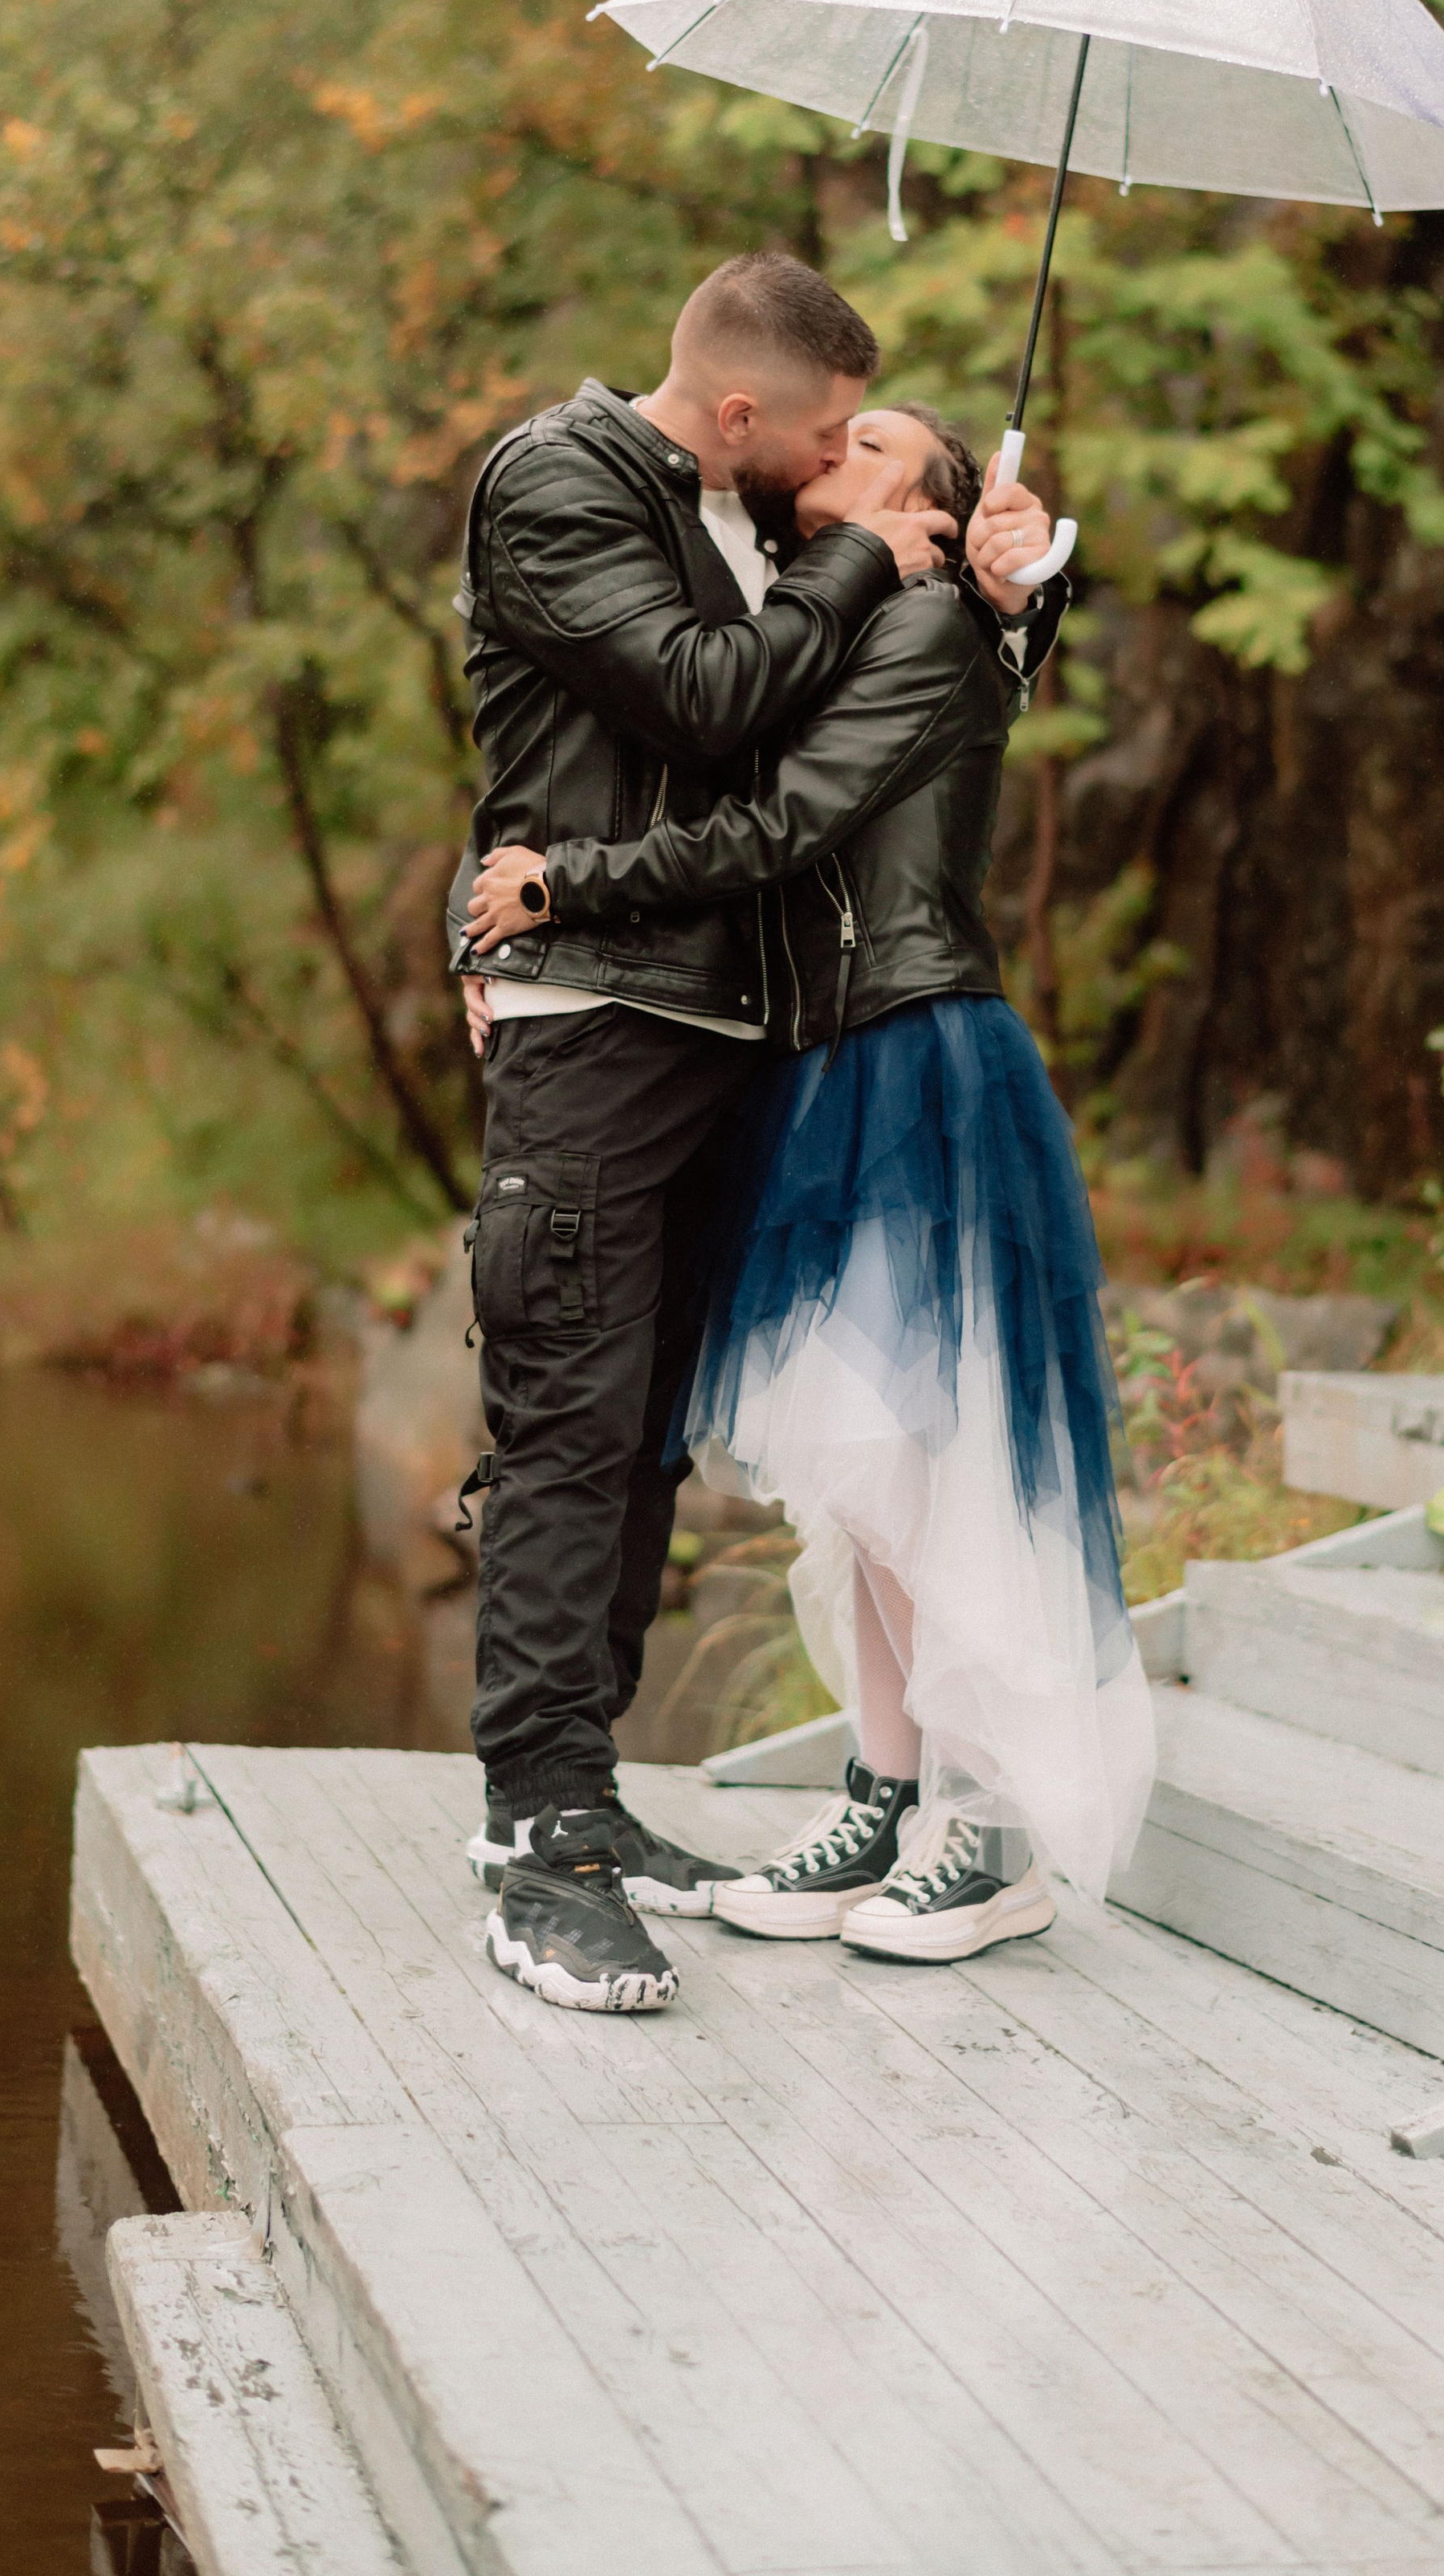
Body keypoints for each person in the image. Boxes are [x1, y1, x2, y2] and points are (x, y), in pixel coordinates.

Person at [466, 400, 1151, 1981]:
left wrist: (1021, 574)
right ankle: (882, 1786)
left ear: (925, 500)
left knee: (921, 1464)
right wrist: (490, 890)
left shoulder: (918, 620)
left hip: (914, 1056)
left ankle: (978, 1831)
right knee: (854, 1478)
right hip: (823, 1065)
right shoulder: (817, 616)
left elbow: (778, 824)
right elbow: (642, 741)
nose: (826, 457)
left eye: (867, 446)